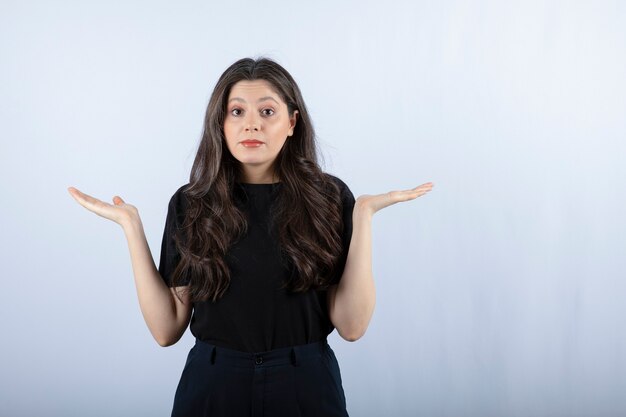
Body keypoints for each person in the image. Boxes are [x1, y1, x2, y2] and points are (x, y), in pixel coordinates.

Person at [68, 57, 434, 417]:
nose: (251, 125)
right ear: (221, 124)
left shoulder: (330, 199)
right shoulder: (191, 203)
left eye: (267, 112)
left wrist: (364, 215)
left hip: (305, 383)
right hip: (213, 384)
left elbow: (352, 327)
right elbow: (166, 330)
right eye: (237, 112)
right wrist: (131, 227)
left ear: (292, 122)